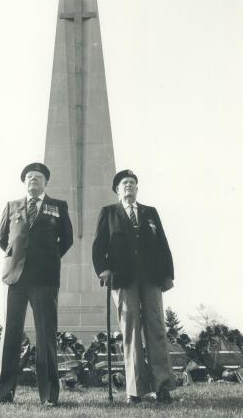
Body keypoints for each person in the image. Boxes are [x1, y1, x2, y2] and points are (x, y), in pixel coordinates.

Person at [0, 162, 73, 406]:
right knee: (10, 336)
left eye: (37, 177)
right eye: (29, 177)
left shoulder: (58, 206)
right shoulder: (12, 206)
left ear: (46, 182)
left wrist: (47, 257)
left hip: (45, 279)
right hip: (15, 278)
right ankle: (3, 394)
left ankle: (49, 396)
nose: (33, 180)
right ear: (24, 182)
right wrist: (17, 257)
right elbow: (2, 238)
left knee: (45, 336)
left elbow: (66, 239)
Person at [92, 169, 176, 404]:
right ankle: (135, 389)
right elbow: (98, 246)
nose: (128, 186)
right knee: (130, 331)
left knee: (156, 328)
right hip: (123, 279)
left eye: (132, 183)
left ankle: (162, 387)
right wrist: (104, 269)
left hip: (151, 278)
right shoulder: (109, 213)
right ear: (117, 190)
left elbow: (162, 244)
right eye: (124, 183)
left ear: (137, 189)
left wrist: (168, 274)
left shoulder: (150, 212)